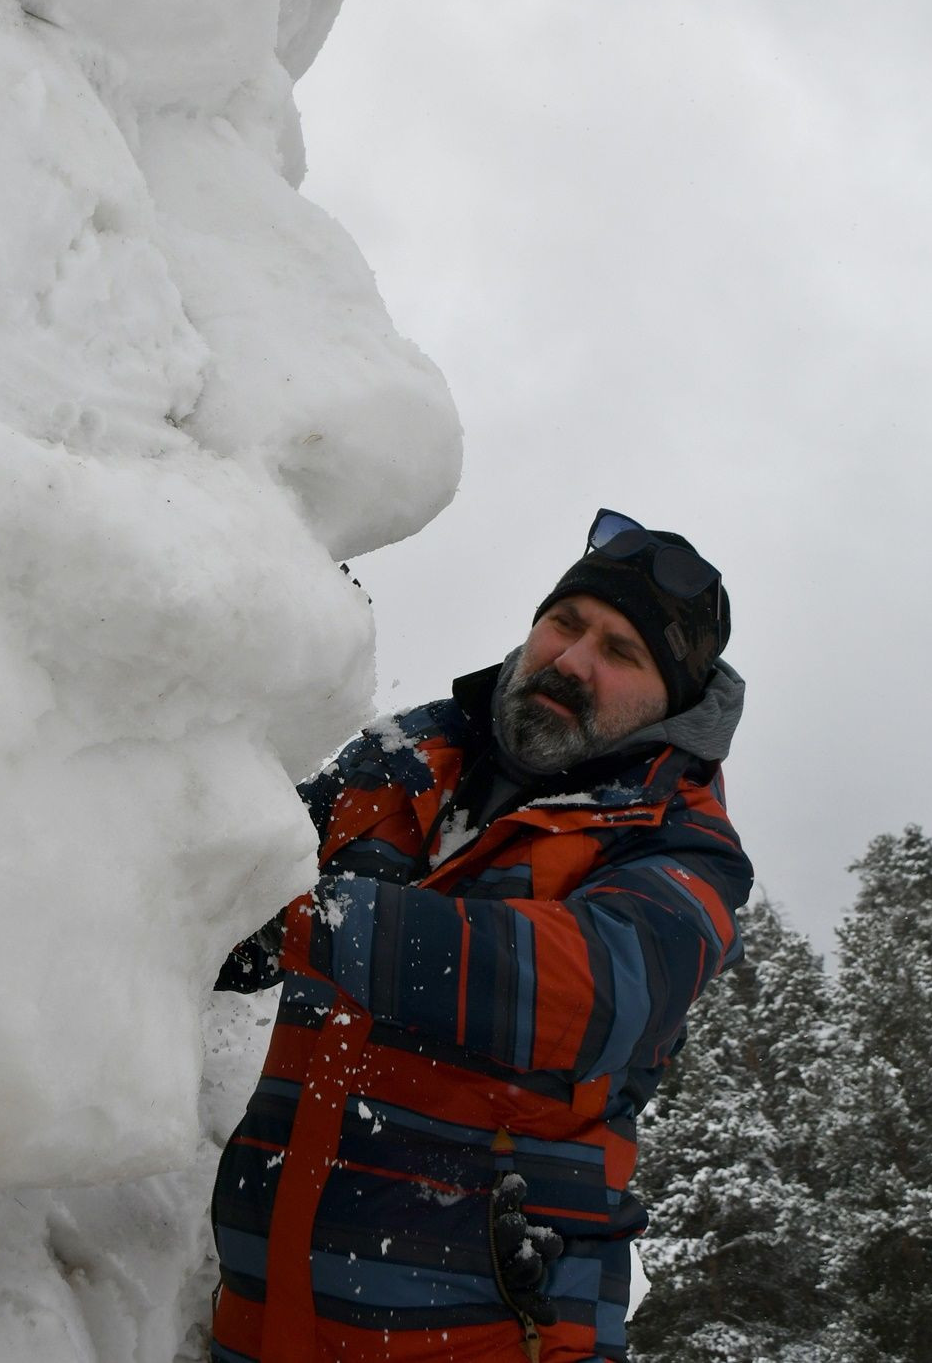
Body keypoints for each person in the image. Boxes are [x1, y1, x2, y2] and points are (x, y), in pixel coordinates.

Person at [211, 510, 752, 1363]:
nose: (572, 661)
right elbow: (223, 899)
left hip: (499, 1338)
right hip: (260, 1323)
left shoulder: (684, 844)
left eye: (620, 653)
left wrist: (320, 922)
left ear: (671, 702)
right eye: (565, 624)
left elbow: (595, 991)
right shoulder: (405, 759)